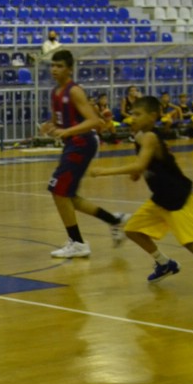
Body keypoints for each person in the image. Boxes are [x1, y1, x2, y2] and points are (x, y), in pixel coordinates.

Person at [89, 96, 193, 299]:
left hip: (178, 196)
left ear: (153, 116)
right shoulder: (139, 135)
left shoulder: (150, 137)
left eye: (138, 114)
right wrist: (138, 172)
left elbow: (140, 164)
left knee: (190, 241)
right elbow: (144, 163)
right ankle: (165, 264)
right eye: (132, 113)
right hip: (160, 197)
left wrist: (105, 171)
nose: (133, 117)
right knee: (132, 230)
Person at [40, 50, 128, 258]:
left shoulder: (74, 91)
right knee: (67, 195)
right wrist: (49, 126)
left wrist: (68, 131)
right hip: (73, 144)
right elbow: (58, 122)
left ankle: (78, 243)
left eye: (59, 66)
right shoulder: (55, 92)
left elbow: (94, 121)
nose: (54, 69)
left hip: (82, 143)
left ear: (70, 69)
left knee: (58, 190)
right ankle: (114, 220)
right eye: (53, 65)